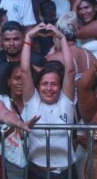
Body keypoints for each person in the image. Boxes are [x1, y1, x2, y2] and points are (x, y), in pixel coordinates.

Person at [22, 23, 78, 178]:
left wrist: (61, 37)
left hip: (65, 172)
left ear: (60, 87)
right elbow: (25, 70)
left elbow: (70, 70)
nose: (49, 88)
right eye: (45, 84)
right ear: (38, 86)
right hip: (36, 171)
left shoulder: (65, 102)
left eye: (54, 84)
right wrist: (28, 37)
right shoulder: (32, 101)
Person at [0, 21, 46, 94]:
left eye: (16, 39)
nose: (11, 43)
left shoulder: (37, 60)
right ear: (1, 40)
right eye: (7, 40)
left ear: (23, 38)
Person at [0, 62, 26, 178]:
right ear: (8, 81)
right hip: (6, 161)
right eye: (17, 78)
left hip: (34, 161)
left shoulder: (36, 102)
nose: (21, 83)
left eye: (25, 79)